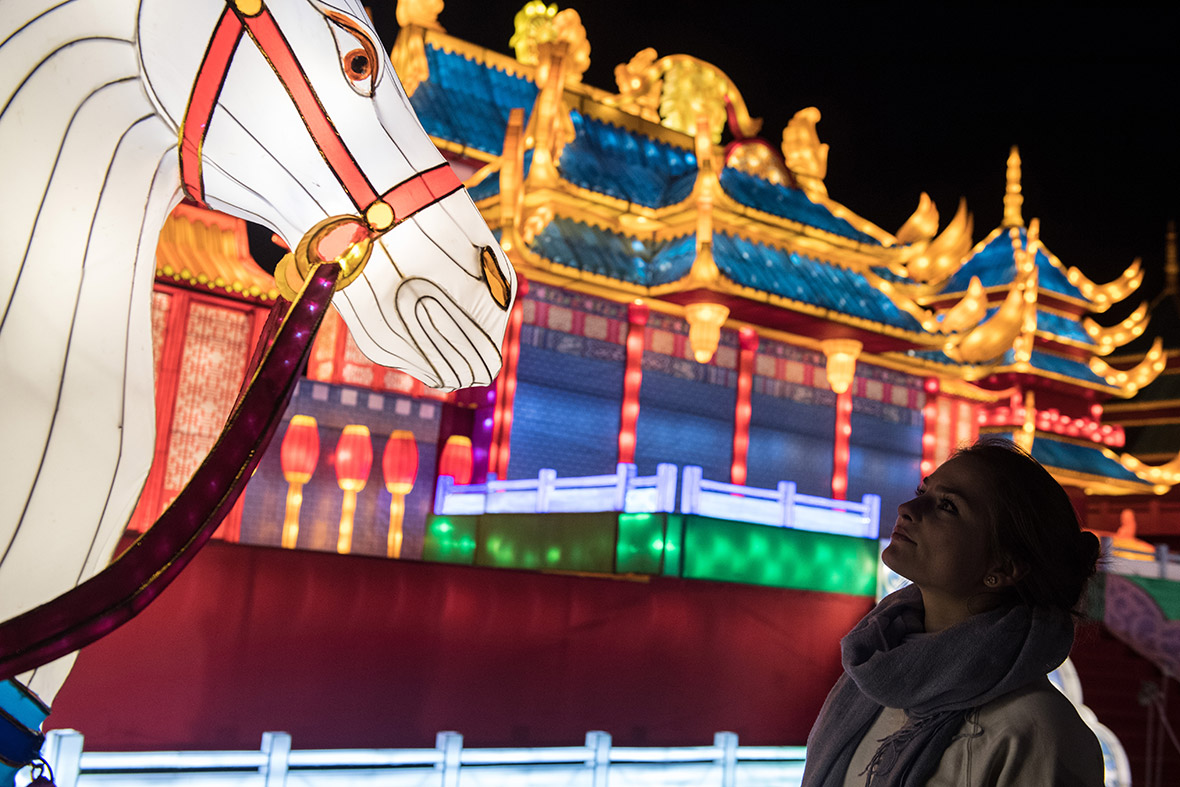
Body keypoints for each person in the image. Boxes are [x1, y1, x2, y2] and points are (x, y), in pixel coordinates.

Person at [800, 436, 1105, 787]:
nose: (908, 509)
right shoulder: (872, 678)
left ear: (1003, 568)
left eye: (947, 506)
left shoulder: (1035, 730)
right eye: (921, 493)